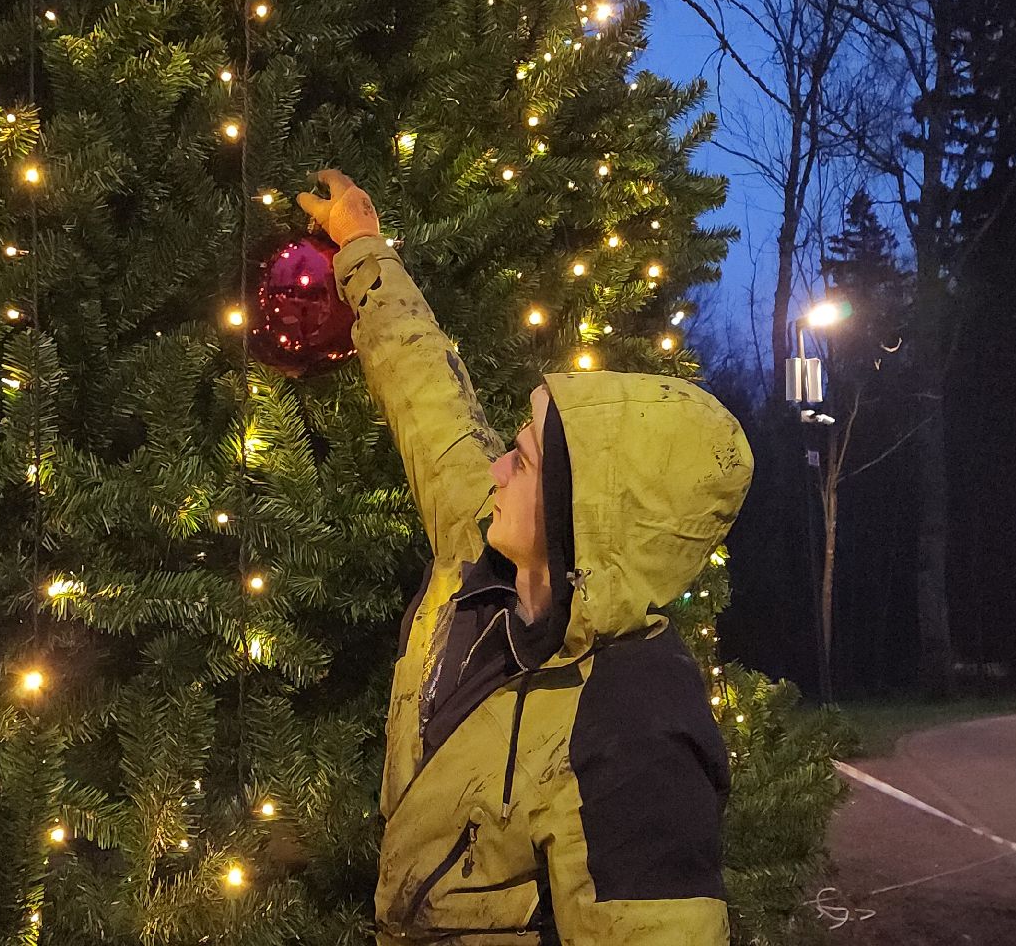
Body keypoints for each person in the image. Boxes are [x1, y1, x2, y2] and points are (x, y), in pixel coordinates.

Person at [297, 170, 754, 944]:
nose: (498, 469)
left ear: (587, 519)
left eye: (526, 458)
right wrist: (364, 250)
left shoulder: (634, 740)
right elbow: (428, 397)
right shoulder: (484, 547)